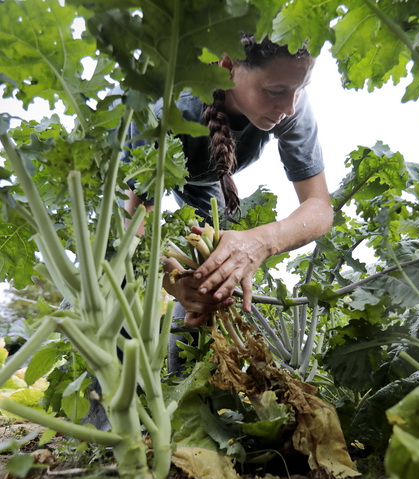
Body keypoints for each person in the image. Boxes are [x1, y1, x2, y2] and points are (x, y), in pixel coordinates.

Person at [125, 34, 333, 371]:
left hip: (204, 180)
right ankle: (102, 408)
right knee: (119, 264)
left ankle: (184, 384)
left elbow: (319, 207)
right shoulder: (170, 107)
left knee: (215, 268)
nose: (290, 107)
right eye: (277, 91)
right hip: (130, 177)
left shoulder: (292, 104)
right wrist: (173, 283)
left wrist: (262, 242)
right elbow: (136, 220)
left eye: (299, 89)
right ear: (228, 68)